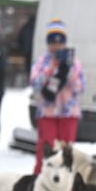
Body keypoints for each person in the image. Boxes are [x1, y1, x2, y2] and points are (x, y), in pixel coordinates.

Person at [30, 18, 85, 174]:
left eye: (60, 42)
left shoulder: (74, 62)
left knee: (66, 151)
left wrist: (69, 73)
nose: (56, 46)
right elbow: (35, 82)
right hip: (47, 113)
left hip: (69, 113)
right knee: (46, 149)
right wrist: (50, 70)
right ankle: (40, 180)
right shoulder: (42, 61)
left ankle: (66, 184)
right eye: (53, 42)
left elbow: (80, 87)